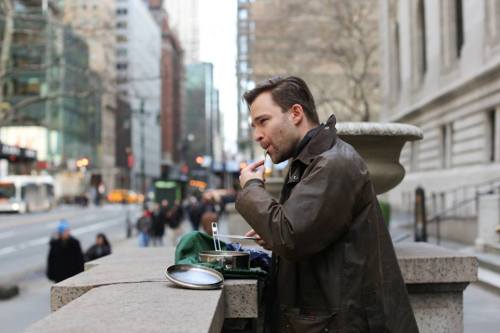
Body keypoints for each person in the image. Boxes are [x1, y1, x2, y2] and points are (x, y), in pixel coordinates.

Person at [236, 76, 418, 332]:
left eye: (263, 121)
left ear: (295, 113)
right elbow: (305, 234)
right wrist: (272, 236)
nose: (257, 135)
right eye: (253, 126)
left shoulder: (333, 164)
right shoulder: (308, 161)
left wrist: (252, 188)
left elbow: (289, 235)